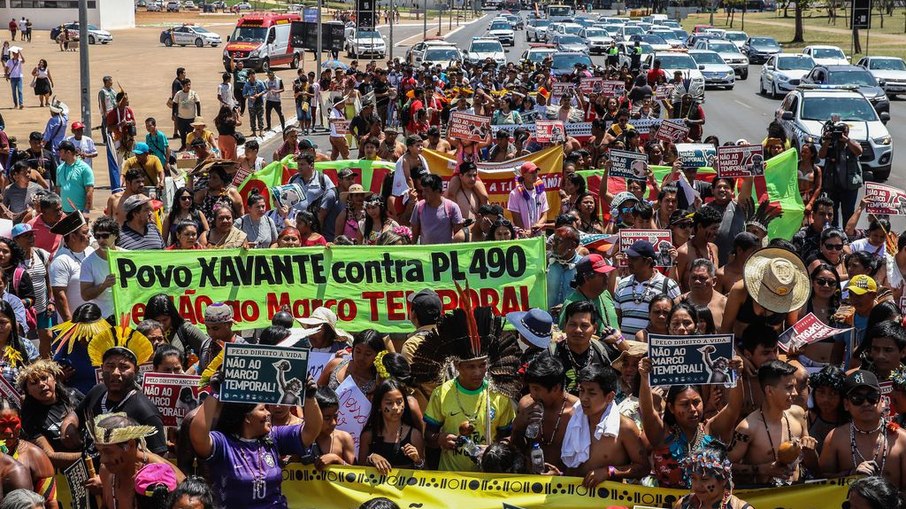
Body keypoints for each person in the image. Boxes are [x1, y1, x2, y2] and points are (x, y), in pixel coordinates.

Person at [189, 374, 321, 509]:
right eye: (263, 409)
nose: (269, 413)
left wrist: (310, 397)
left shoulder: (273, 437)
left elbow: (311, 431)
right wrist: (215, 393)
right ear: (247, 417)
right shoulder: (223, 444)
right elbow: (198, 438)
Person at [417, 306, 518, 472]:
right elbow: (428, 436)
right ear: (457, 366)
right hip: (452, 479)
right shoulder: (441, 393)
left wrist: (494, 449)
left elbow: (507, 436)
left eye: (482, 365)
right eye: (471, 367)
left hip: (488, 478)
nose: (478, 372)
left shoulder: (499, 395)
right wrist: (440, 439)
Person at [727, 360, 816, 485]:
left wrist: (810, 450)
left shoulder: (799, 414)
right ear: (769, 391)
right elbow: (725, 467)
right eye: (789, 387)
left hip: (797, 493)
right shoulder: (747, 428)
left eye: (795, 387)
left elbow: (814, 466)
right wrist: (762, 469)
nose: (795, 393)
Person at [560, 364, 648, 487]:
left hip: (607, 501)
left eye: (591, 393)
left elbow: (643, 468)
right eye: (581, 390)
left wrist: (609, 471)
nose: (584, 398)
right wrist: (558, 475)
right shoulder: (572, 420)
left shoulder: (624, 428)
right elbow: (568, 465)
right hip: (571, 496)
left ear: (609, 397)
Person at [819, 370, 906, 489]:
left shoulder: (901, 439)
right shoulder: (835, 438)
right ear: (846, 404)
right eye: (857, 398)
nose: (865, 403)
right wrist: (850, 474)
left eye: (871, 397)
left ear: (882, 401)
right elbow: (820, 483)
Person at [93, 414, 185, 509]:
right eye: (100, 452)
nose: (102, 459)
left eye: (108, 452)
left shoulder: (162, 474)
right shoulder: (106, 471)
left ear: (131, 445)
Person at [510, 354, 577, 471]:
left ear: (556, 388)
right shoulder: (526, 405)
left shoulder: (578, 412)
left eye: (536, 389)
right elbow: (517, 450)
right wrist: (517, 427)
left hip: (565, 485)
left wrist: (560, 476)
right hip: (531, 482)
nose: (532, 394)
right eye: (530, 388)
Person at [614, 240, 682, 339]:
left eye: (634, 259)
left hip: (654, 349)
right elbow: (617, 318)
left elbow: (677, 318)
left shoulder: (668, 285)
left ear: (648, 261)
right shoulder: (622, 284)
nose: (629, 262)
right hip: (626, 349)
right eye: (629, 258)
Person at [0, 399, 58, 509]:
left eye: (13, 424)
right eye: (2, 425)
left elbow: (50, 503)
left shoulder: (36, 456)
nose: (8, 431)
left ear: (21, 421)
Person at [359, 380, 426, 473]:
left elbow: (424, 473)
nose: (395, 407)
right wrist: (371, 458)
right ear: (379, 406)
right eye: (389, 403)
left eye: (399, 402)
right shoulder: (368, 436)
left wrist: (417, 460)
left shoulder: (414, 435)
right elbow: (358, 471)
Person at [673, 444, 753, 509]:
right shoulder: (683, 505)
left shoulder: (739, 507)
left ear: (723, 480)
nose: (697, 485)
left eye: (704, 479)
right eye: (693, 478)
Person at [558, 254, 620, 336]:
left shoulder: (605, 294)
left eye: (606, 273)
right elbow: (566, 338)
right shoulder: (572, 304)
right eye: (601, 274)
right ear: (587, 278)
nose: (606, 277)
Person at [819, 121, 862, 227]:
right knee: (832, 211)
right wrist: (827, 141)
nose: (840, 134)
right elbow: (821, 155)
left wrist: (847, 140)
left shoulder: (851, 144)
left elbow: (859, 151)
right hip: (833, 185)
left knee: (848, 212)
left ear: (847, 133)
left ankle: (847, 236)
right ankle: (833, 233)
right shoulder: (831, 144)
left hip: (849, 186)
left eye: (843, 132)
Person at [303, 387, 355, 470]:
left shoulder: (344, 439)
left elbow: (356, 474)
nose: (334, 423)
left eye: (335, 416)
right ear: (314, 414)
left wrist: (337, 460)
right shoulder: (300, 437)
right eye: (327, 418)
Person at [410, 174, 464, 245]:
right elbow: (415, 234)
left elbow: (459, 235)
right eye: (422, 190)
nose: (423, 194)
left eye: (426, 191)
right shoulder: (419, 206)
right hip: (425, 253)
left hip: (445, 253)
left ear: (437, 191)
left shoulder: (452, 207)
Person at [678, 259, 727, 330]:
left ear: (714, 281)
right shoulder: (679, 302)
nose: (697, 281)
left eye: (702, 278)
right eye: (694, 278)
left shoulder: (725, 304)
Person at [508, 162, 549, 236]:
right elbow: (516, 218)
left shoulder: (541, 192)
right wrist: (526, 233)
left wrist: (534, 229)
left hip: (538, 234)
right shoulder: (514, 194)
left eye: (536, 172)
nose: (535, 174)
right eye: (531, 172)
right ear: (524, 175)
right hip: (522, 235)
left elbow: (544, 216)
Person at [54, 141, 93, 214]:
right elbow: (58, 189)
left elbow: (89, 191)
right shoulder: (59, 168)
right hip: (63, 212)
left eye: (61, 152)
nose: (59, 154)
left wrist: (86, 211)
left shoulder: (84, 168)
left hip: (80, 211)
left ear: (68, 152)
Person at [172, 78, 201, 151]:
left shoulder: (193, 93)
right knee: (182, 133)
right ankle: (183, 145)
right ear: (182, 86)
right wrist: (173, 114)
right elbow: (174, 104)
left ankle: (190, 146)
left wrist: (199, 115)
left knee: (190, 134)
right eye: (186, 85)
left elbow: (198, 104)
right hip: (181, 118)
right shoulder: (179, 94)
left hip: (191, 118)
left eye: (189, 85)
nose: (188, 86)